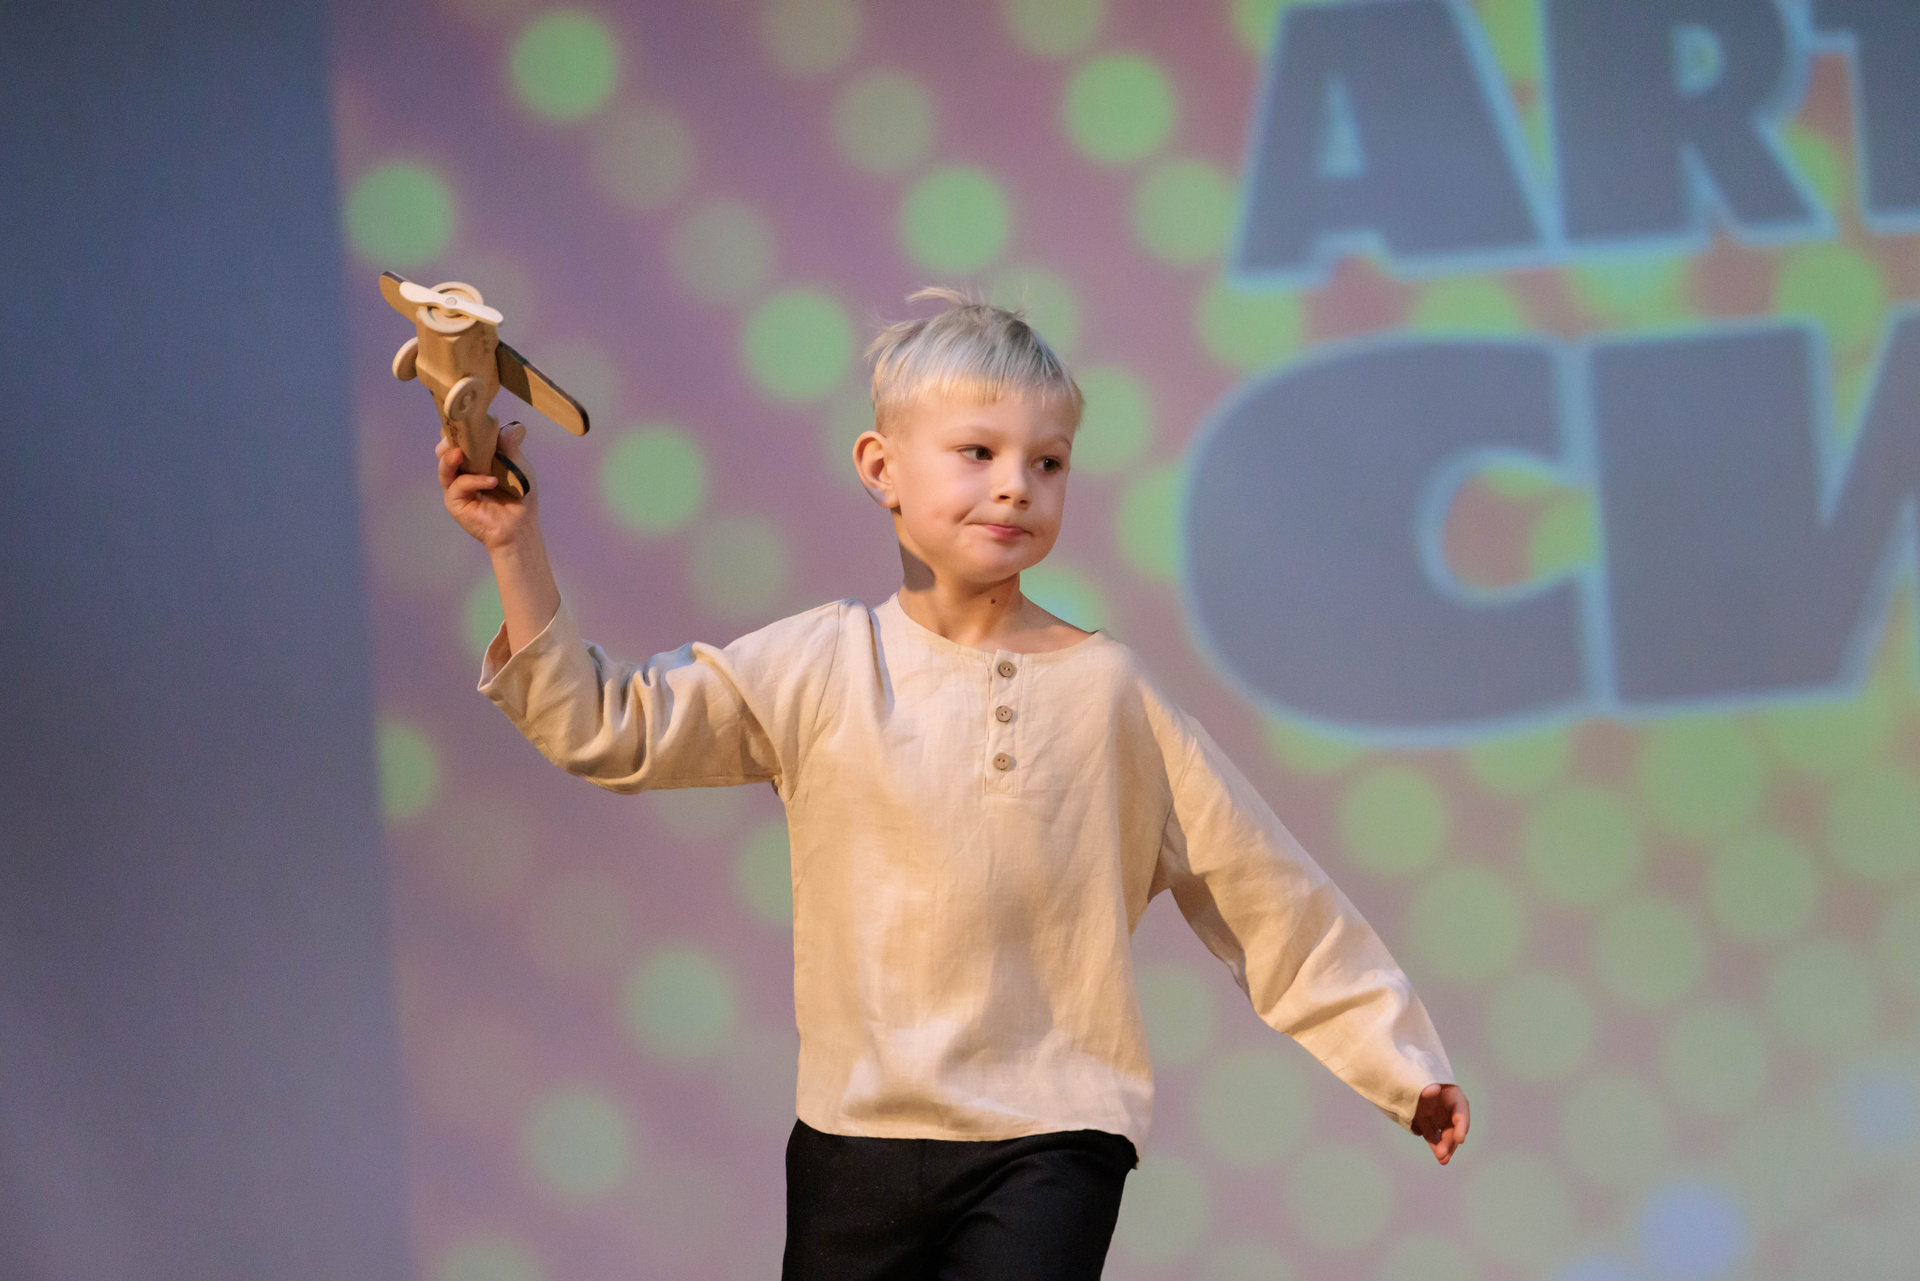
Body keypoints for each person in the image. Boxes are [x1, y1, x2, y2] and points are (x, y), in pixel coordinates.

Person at [435, 287, 1469, 1280]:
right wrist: (513, 545)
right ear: (880, 466)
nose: (1016, 485)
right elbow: (607, 727)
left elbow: (1263, 890)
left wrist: (1399, 1062)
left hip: (1054, 1133)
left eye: (1047, 462)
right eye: (978, 452)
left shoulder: (1110, 690)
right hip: (855, 1132)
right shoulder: (820, 664)